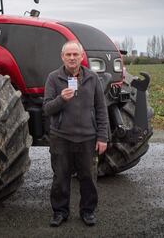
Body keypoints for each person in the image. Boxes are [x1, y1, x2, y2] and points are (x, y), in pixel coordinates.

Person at [43, 40, 108, 227]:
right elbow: (47, 109)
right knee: (60, 178)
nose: (72, 58)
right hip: (61, 137)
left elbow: (101, 109)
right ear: (62, 57)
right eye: (68, 55)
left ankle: (87, 212)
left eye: (75, 54)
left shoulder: (92, 78)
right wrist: (61, 99)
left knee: (88, 178)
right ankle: (60, 212)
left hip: (88, 137)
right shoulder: (53, 78)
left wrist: (102, 137)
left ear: (81, 57)